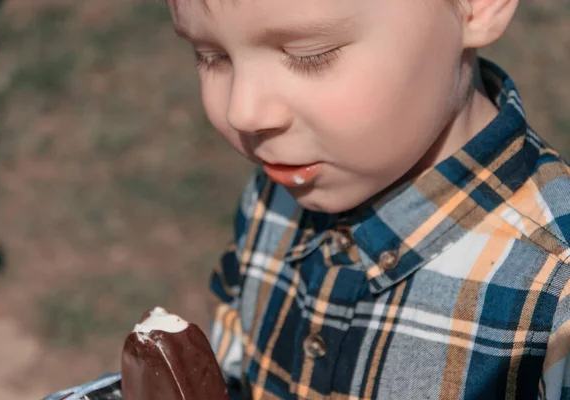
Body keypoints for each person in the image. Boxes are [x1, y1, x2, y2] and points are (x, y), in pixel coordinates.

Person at [46, 0, 570, 398]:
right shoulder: (279, 192)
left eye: (309, 55)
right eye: (211, 56)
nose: (244, 112)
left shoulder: (555, 299)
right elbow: (238, 367)